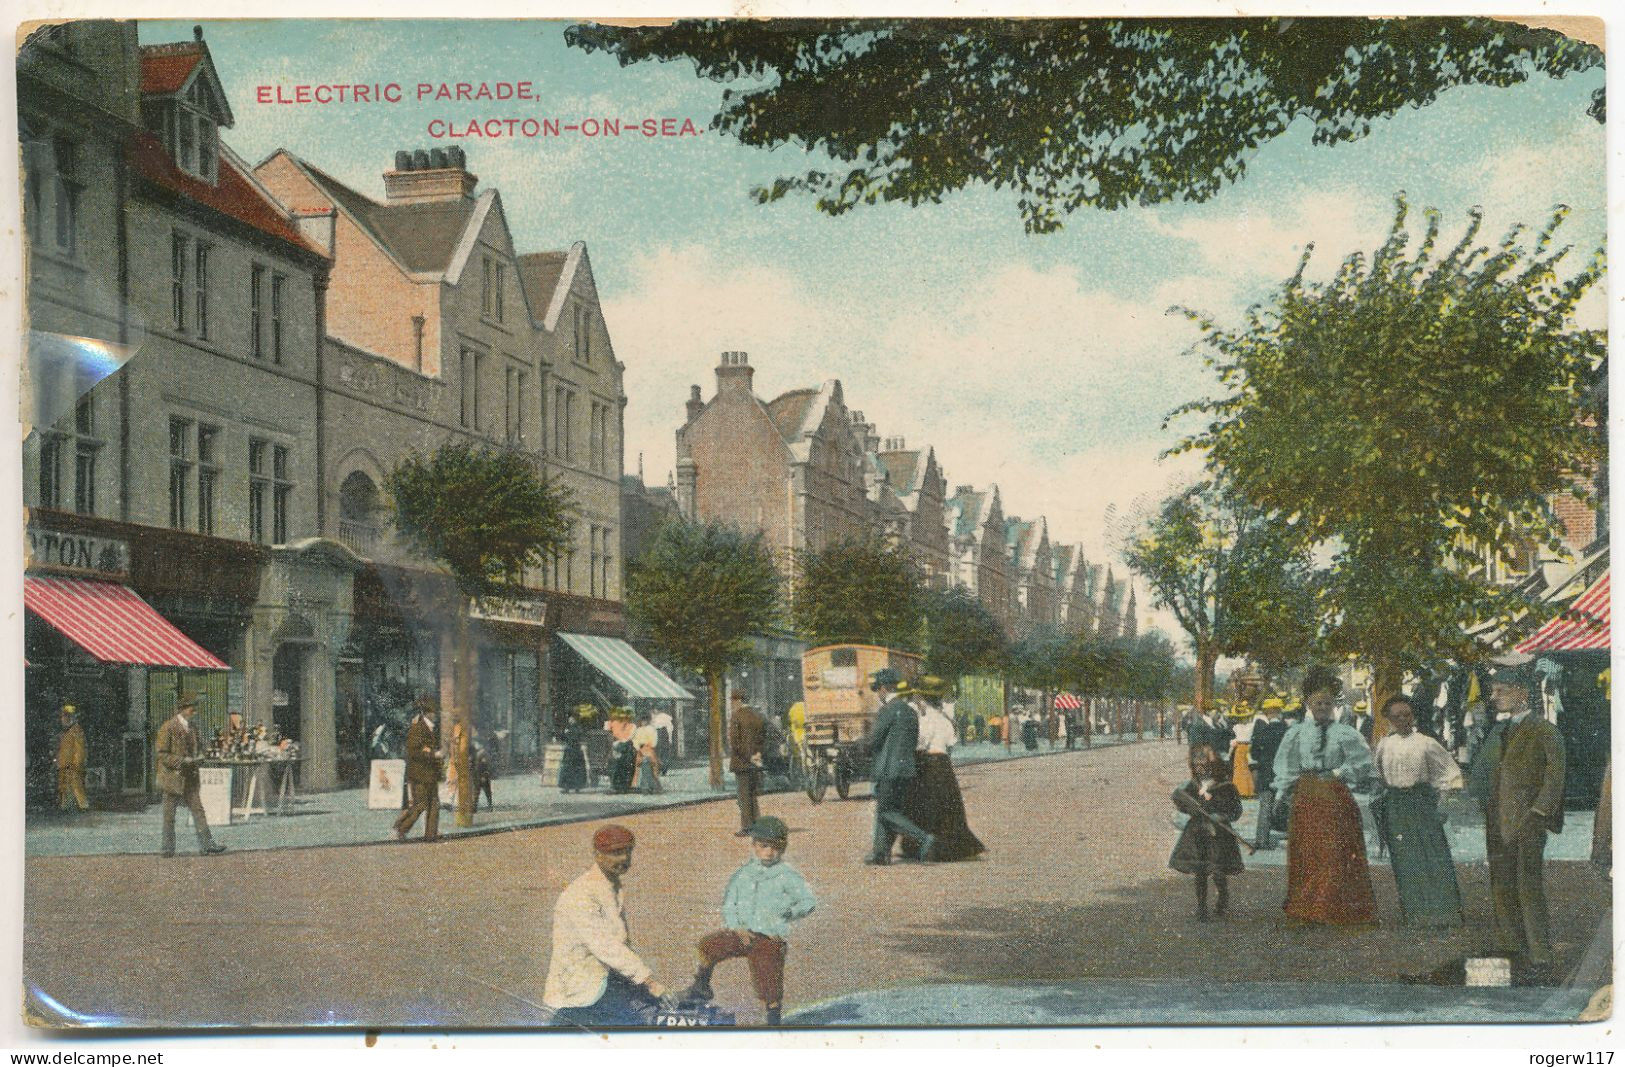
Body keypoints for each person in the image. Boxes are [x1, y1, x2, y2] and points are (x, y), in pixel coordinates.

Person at [1469, 657, 1565, 966]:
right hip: (1496, 818)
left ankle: (1540, 952)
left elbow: (1555, 775)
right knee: (1501, 882)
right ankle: (1511, 944)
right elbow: (1485, 772)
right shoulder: (1497, 731)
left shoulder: (1544, 730)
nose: (1494, 697)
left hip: (1527, 820)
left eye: (1502, 691)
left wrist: (1539, 812)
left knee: (1528, 886)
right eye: (1493, 691)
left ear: (1522, 693)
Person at [680, 816, 816, 1026]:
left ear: (784, 849)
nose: (769, 852)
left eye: (776, 847)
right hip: (743, 933)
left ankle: (773, 1018)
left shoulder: (787, 876)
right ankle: (700, 986)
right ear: (754, 846)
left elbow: (808, 902)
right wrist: (736, 927)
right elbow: (729, 903)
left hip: (769, 937)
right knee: (709, 945)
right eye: (763, 846)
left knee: (769, 977)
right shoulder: (743, 874)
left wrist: (788, 912)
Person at [1272, 666, 1376, 925]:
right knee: (1307, 851)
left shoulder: (1345, 733)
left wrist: (1341, 771)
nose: (1322, 707)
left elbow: (1363, 763)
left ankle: (1331, 907)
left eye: (1328, 703)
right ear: (1308, 703)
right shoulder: (1296, 733)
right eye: (1318, 702)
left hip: (1333, 794)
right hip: (1306, 795)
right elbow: (1286, 764)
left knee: (1334, 850)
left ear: (1334, 705)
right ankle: (1306, 908)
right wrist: (1281, 795)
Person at [543, 825, 668, 1027]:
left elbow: (620, 941)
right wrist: (647, 980)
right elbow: (604, 944)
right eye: (616, 853)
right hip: (584, 988)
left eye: (628, 851)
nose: (624, 859)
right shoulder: (582, 893)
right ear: (597, 855)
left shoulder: (610, 884)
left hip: (607, 979)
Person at [1371, 694, 1464, 927]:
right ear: (1388, 719)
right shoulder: (1384, 744)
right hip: (1395, 804)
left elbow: (1450, 774)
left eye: (1407, 715)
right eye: (1396, 716)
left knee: (1432, 854)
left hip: (1421, 802)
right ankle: (1414, 912)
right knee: (1405, 858)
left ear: (1413, 716)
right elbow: (1378, 775)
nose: (1403, 720)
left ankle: (1442, 912)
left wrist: (1442, 802)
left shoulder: (1426, 743)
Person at [903, 677, 986, 862]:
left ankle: (927, 846)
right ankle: (953, 846)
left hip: (929, 763)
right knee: (949, 806)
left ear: (923, 698)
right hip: (944, 764)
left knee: (926, 804)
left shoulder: (927, 718)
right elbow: (951, 741)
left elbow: (921, 741)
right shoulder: (945, 718)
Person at [865, 670, 933, 865]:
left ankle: (922, 838)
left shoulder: (887, 710)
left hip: (889, 769)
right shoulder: (911, 712)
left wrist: (861, 745)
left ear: (885, 689)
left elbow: (874, 739)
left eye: (878, 690)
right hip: (907, 769)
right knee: (888, 809)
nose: (878, 694)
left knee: (886, 811)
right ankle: (880, 853)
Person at [1170, 745, 1244, 921]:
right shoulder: (1192, 786)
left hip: (1219, 836)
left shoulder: (1226, 787)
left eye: (1205, 767)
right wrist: (1187, 807)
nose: (1201, 770)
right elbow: (1181, 803)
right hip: (1197, 834)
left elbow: (1236, 811)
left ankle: (1222, 901)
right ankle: (1201, 906)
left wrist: (1222, 816)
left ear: (1215, 767)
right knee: (1200, 872)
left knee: (1218, 871)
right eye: (1197, 767)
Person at [155, 693, 226, 856]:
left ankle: (207, 845)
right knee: (169, 815)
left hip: (190, 777)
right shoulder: (168, 727)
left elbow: (199, 748)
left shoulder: (193, 728)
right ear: (182, 710)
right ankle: (167, 848)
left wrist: (201, 756)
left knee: (198, 811)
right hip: (172, 778)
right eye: (191, 708)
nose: (194, 711)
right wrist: (181, 760)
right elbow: (161, 754)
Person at [393, 697, 443, 842]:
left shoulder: (431, 727)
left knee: (434, 804)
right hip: (419, 775)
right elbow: (413, 751)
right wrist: (433, 754)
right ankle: (401, 828)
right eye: (433, 712)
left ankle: (430, 834)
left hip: (431, 774)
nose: (436, 715)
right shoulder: (417, 728)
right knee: (420, 805)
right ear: (427, 713)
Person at [1249, 697, 1289, 850]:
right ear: (1280, 712)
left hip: (1266, 772)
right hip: (1285, 772)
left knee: (1265, 805)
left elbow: (1254, 753)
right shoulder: (1287, 731)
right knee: (1287, 803)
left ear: (1267, 714)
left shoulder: (1262, 731)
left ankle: (1261, 840)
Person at [728, 691, 766, 836]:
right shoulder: (757, 716)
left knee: (743, 795)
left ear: (737, 701)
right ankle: (757, 823)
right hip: (756, 760)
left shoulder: (736, 716)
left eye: (732, 701)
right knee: (752, 794)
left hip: (742, 762)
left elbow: (734, 743)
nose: (731, 704)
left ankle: (747, 826)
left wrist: (749, 756)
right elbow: (763, 738)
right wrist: (757, 754)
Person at [56, 704, 89, 812]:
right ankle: (65, 806)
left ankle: (83, 805)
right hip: (64, 764)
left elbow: (80, 749)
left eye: (65, 717)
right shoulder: (65, 732)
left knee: (76, 785)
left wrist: (77, 763)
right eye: (62, 717)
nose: (63, 719)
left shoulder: (76, 730)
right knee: (64, 786)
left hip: (72, 765)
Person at [1187, 705, 1235, 772]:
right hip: (1210, 752)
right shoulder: (1200, 724)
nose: (1217, 713)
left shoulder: (1215, 723)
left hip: (1216, 751)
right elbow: (1196, 743)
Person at [558, 711, 589, 793]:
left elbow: (575, 738)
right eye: (570, 718)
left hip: (574, 751)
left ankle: (573, 787)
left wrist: (566, 734)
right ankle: (570, 787)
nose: (570, 720)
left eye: (572, 719)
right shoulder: (569, 728)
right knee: (570, 769)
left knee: (573, 769)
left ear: (575, 719)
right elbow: (564, 738)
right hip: (572, 751)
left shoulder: (576, 728)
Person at [607, 709, 637, 794]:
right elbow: (612, 733)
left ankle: (625, 786)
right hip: (618, 747)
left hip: (627, 747)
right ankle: (616, 785)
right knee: (615, 764)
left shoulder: (633, 726)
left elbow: (630, 737)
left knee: (626, 764)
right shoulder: (617, 724)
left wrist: (620, 742)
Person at [631, 712, 662, 795]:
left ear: (648, 721)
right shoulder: (638, 730)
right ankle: (642, 786)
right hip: (640, 751)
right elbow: (635, 740)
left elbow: (654, 741)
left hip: (649, 749)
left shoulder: (652, 729)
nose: (644, 722)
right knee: (639, 767)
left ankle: (653, 786)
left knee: (653, 767)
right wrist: (638, 748)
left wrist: (648, 744)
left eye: (645, 720)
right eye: (642, 720)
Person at [1230, 709, 1256, 799]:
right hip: (1247, 747)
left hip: (1240, 747)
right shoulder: (1251, 726)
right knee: (1247, 769)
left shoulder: (1236, 727)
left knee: (1239, 769)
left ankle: (1240, 790)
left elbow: (1235, 738)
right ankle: (1249, 790)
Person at [472, 727, 495, 812]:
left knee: (480, 791)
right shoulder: (479, 752)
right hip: (478, 774)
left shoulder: (483, 753)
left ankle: (484, 806)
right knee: (480, 791)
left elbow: (485, 765)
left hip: (482, 774)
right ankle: (478, 807)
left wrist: (484, 775)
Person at [651, 707, 675, 771]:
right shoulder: (654, 717)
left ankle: (663, 768)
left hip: (663, 735)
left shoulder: (664, 717)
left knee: (662, 753)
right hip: (659, 735)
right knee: (661, 753)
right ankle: (661, 768)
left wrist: (670, 739)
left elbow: (670, 729)